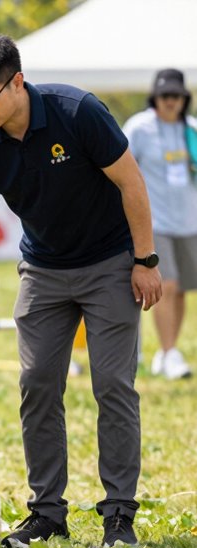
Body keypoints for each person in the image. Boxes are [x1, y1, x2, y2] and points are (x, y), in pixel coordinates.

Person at [0, 34, 160, 548]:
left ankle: (119, 515)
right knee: (36, 383)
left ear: (17, 82)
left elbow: (132, 184)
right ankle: (47, 513)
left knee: (112, 385)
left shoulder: (76, 112)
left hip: (110, 262)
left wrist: (145, 260)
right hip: (43, 269)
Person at [123, 69, 197, 380]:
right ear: (156, 97)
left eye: (177, 96)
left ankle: (169, 350)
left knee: (180, 290)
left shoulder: (192, 129)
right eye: (166, 96)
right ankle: (168, 354)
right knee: (165, 285)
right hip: (155, 222)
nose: (171, 102)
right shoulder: (139, 128)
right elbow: (122, 170)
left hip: (189, 222)